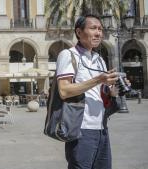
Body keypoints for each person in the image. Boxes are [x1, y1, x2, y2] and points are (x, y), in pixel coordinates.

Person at [56, 14, 128, 169]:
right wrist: (98, 80)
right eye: (93, 28)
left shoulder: (99, 59)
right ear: (79, 32)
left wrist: (115, 90)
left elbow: (101, 96)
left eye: (100, 29)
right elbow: (64, 90)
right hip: (81, 130)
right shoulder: (68, 55)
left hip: (102, 129)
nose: (99, 33)